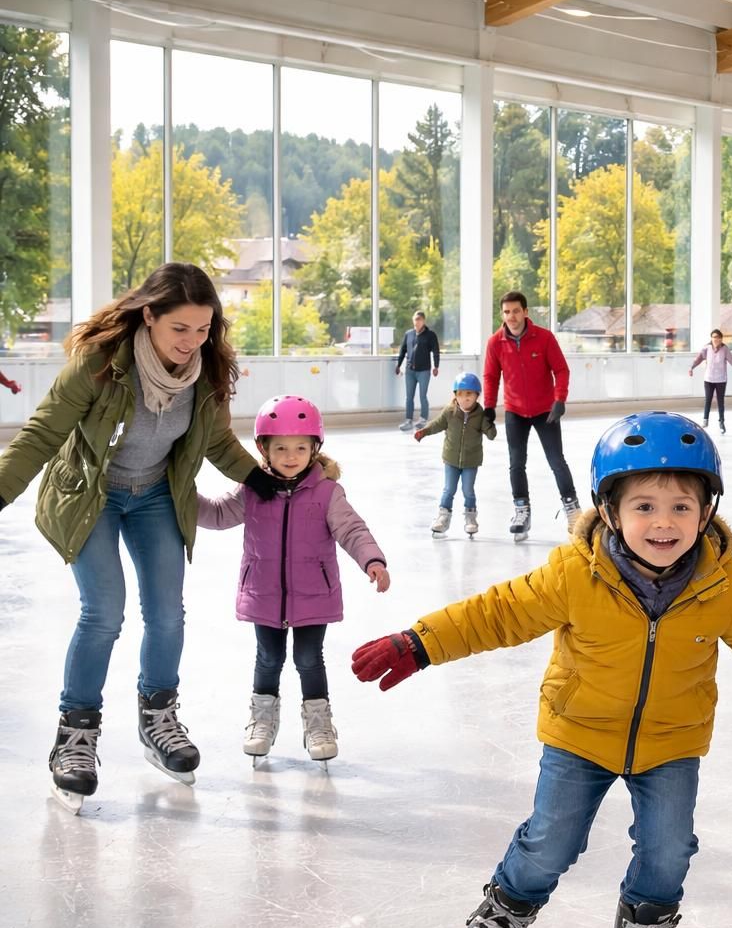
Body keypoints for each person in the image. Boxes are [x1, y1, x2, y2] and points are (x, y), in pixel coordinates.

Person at [350, 412, 732, 928]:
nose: (663, 522)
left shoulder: (723, 585)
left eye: (681, 507)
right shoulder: (576, 575)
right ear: (608, 511)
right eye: (645, 506)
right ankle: (506, 908)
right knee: (550, 840)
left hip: (673, 741)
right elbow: (497, 613)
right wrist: (420, 642)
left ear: (706, 515)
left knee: (669, 847)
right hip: (579, 734)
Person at [0, 262, 280, 812]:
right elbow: (43, 432)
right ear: (149, 316)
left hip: (155, 494)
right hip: (91, 493)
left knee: (167, 612)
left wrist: (256, 477)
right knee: (103, 611)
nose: (192, 341)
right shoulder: (100, 364)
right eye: (181, 328)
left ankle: (158, 718)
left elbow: (218, 441)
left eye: (203, 329)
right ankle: (75, 736)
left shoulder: (205, 370)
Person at [196, 395, 390, 765]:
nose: (290, 455)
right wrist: (182, 497)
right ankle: (262, 720)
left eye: (300, 447)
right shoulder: (252, 490)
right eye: (280, 447)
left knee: (307, 657)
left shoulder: (327, 492)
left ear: (315, 448)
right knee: (268, 658)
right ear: (263, 449)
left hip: (313, 595)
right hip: (264, 594)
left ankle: (318, 723)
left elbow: (352, 529)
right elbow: (219, 514)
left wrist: (372, 560)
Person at [483, 291, 580, 542]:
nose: (511, 316)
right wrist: (489, 406)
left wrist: (560, 400)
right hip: (515, 410)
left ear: (525, 312)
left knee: (556, 460)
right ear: (502, 314)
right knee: (516, 463)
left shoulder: (544, 338)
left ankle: (572, 509)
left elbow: (561, 370)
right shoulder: (495, 343)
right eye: (506, 312)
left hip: (545, 410)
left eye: (516, 311)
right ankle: (521, 511)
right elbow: (491, 377)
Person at [415, 372, 498, 537]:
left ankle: (470, 518)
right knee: (448, 489)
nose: (465, 398)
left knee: (468, 490)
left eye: (469, 394)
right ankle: (443, 517)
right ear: (455, 395)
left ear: (477, 396)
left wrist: (490, 420)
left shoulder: (480, 414)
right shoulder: (450, 411)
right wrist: (424, 431)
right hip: (451, 459)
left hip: (471, 461)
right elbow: (437, 424)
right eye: (461, 394)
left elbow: (491, 435)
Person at [688, 328, 732, 435]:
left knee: (720, 401)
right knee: (708, 399)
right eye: (713, 337)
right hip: (709, 379)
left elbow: (731, 360)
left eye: (717, 337)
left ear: (721, 339)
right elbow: (698, 359)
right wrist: (691, 367)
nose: (715, 339)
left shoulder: (725, 349)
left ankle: (721, 422)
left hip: (721, 379)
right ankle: (705, 420)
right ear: (711, 338)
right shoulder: (707, 348)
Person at [395, 310, 441, 431]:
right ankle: (408, 420)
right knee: (409, 397)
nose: (416, 322)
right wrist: (398, 365)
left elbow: (436, 351)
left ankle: (423, 419)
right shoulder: (408, 334)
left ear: (423, 321)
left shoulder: (430, 335)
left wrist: (436, 366)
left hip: (424, 371)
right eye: (415, 320)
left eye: (419, 320)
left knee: (422, 395)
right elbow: (402, 351)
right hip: (410, 370)